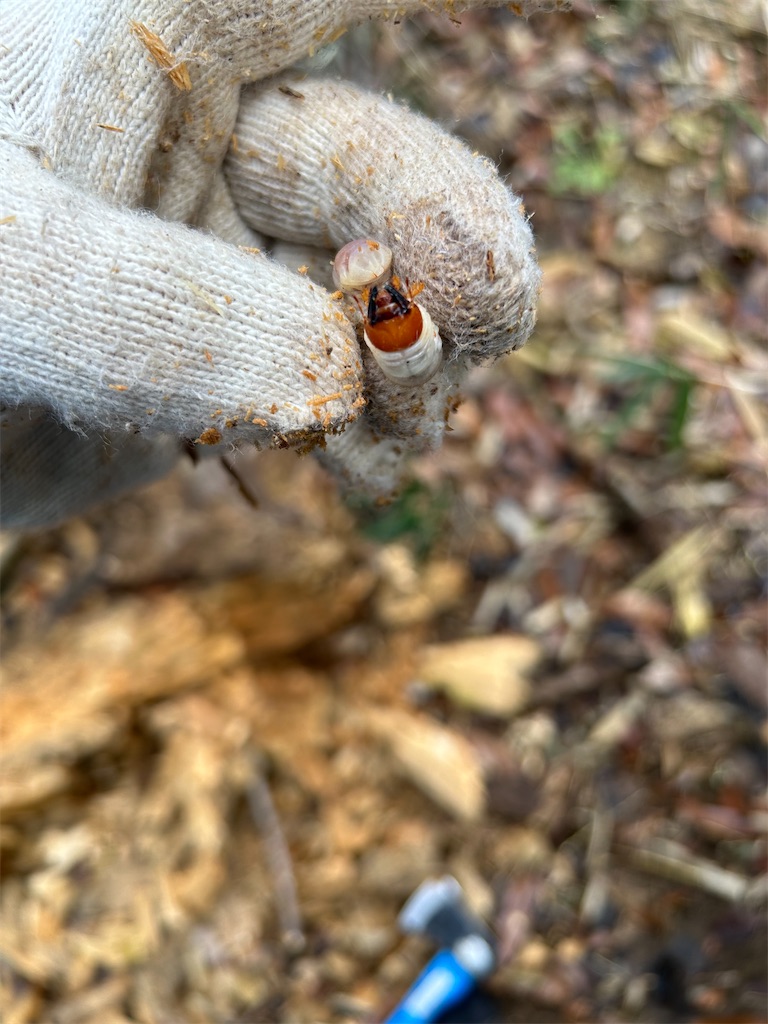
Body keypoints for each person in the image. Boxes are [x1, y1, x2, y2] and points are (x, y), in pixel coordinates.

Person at [0, 0, 555, 528]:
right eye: (391, 301)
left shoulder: (389, 310)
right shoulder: (389, 305)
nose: (386, 299)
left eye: (384, 303)